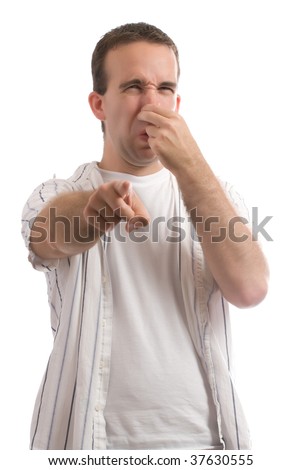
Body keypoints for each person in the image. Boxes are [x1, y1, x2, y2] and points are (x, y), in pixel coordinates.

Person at [21, 22, 269, 451]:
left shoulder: (219, 196)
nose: (152, 103)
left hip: (205, 445)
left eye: (165, 88)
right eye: (134, 86)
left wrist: (190, 165)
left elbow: (250, 288)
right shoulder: (54, 194)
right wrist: (94, 212)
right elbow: (50, 232)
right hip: (84, 445)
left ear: (179, 102)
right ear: (99, 104)